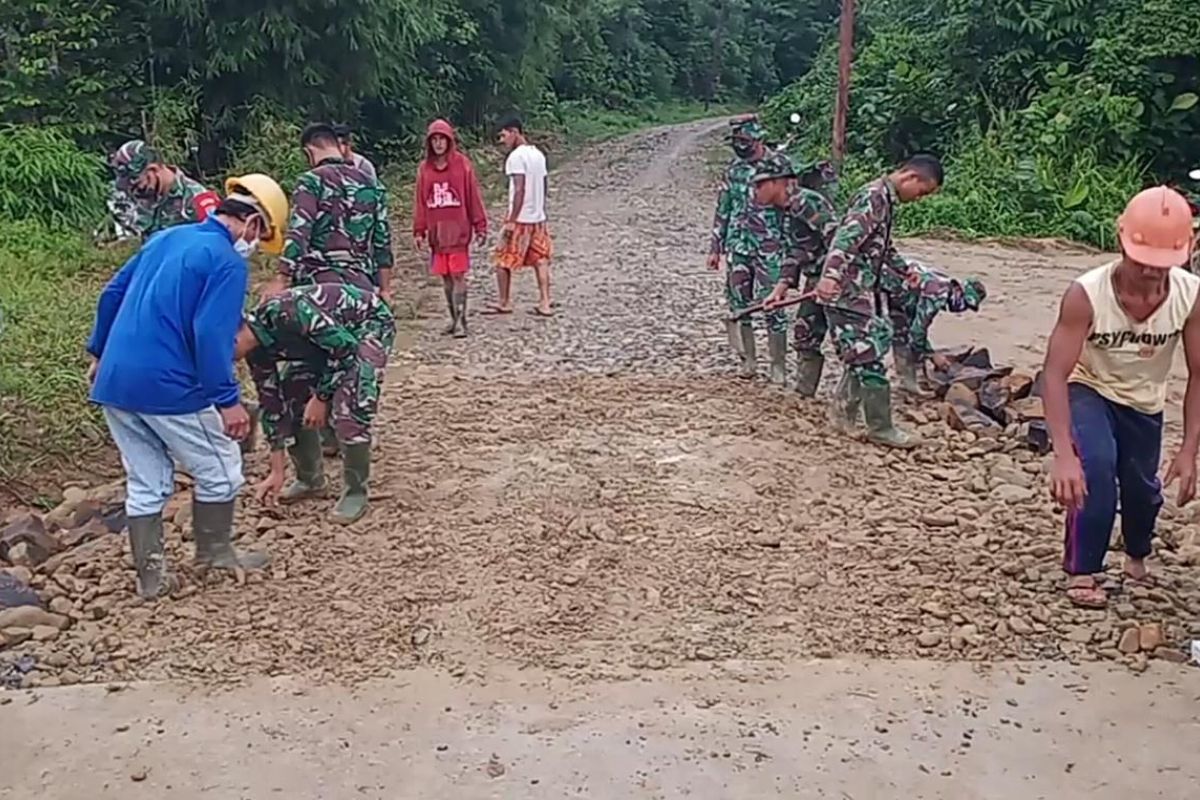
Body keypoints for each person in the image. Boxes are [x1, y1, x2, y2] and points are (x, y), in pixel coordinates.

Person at [85, 174, 288, 599]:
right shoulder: (226, 262)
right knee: (221, 473)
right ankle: (214, 555)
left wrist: (99, 353)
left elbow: (112, 294)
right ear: (251, 223)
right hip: (169, 385)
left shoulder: (168, 237)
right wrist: (227, 401)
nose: (256, 246)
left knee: (145, 481)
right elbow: (211, 335)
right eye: (262, 235)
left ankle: (152, 579)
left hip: (115, 382)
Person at [1044, 186, 1199, 608]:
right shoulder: (1086, 294)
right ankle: (1083, 569)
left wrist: (1189, 448)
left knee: (1142, 488)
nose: (1151, 272)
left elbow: (1198, 374)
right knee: (1094, 468)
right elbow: (1054, 374)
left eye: (1163, 264)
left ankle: (1136, 555)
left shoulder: (1190, 295)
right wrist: (1063, 452)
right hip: (1090, 387)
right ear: (1121, 240)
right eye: (1143, 261)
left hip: (1145, 402)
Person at [238, 283, 396, 525]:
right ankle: (310, 480)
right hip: (325, 345)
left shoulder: (286, 312)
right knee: (291, 395)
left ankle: (356, 492)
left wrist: (321, 397)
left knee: (351, 403)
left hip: (366, 326)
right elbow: (272, 404)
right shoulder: (256, 351)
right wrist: (276, 470)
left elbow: (345, 350)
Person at [814, 154, 944, 447]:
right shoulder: (874, 198)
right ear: (911, 177)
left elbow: (880, 246)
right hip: (846, 293)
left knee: (862, 353)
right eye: (922, 192)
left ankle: (841, 415)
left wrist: (905, 270)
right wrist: (830, 275)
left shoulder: (884, 200)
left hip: (858, 292)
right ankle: (881, 428)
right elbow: (845, 239)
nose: (919, 199)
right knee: (869, 359)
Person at [260, 122, 394, 303]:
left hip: (318, 287)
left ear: (308, 152)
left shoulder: (311, 181)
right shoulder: (372, 185)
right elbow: (382, 242)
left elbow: (300, 233)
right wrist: (385, 289)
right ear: (339, 147)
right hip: (361, 287)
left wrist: (282, 278)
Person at [753, 155, 838, 392]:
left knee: (850, 343)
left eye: (760, 185)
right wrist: (779, 289)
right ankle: (804, 394)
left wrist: (830, 277)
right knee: (804, 334)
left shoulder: (807, 203)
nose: (755, 192)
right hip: (815, 278)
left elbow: (838, 241)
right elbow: (795, 251)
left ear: (778, 182)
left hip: (838, 279)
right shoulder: (781, 211)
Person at [413, 119, 488, 337]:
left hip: (458, 230)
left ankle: (462, 321)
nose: (438, 144)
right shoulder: (424, 170)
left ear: (449, 141)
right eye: (434, 140)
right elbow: (420, 202)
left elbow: (472, 196)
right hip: (437, 234)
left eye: (442, 139)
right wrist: (419, 230)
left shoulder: (462, 165)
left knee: (458, 275)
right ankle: (453, 317)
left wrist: (480, 225)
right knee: (445, 277)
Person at [708, 116, 771, 377]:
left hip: (771, 246)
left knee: (772, 304)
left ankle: (778, 367)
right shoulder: (733, 170)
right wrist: (715, 247)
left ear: (758, 139)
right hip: (738, 245)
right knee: (739, 303)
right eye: (737, 142)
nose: (741, 146)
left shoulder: (778, 166)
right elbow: (723, 208)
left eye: (745, 141)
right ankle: (749, 361)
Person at [488, 115, 553, 317]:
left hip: (521, 218)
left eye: (504, 135)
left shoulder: (515, 158)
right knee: (540, 258)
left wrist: (511, 220)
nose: (503, 141)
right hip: (537, 217)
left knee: (502, 258)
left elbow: (519, 189)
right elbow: (543, 185)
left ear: (514, 132)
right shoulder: (538, 155)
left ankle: (504, 301)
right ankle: (544, 301)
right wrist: (540, 209)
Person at [889, 263, 987, 391]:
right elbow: (917, 331)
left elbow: (917, 325)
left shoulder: (943, 283)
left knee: (908, 332)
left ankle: (912, 378)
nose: (962, 308)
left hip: (901, 295)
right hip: (888, 290)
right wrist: (933, 355)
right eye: (965, 303)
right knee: (902, 335)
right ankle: (908, 383)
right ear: (958, 290)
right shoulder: (937, 295)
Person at [109, 139, 220, 239]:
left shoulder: (197, 199)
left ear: (153, 169)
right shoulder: (143, 196)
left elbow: (216, 244)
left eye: (137, 184)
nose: (134, 191)